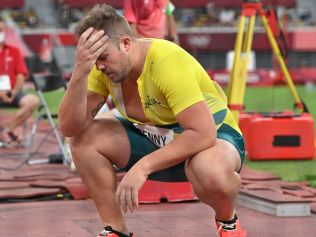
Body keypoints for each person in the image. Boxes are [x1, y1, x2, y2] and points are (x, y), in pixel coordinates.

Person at [58, 4, 247, 237]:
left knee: (210, 170)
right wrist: (79, 71)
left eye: (103, 57)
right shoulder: (101, 69)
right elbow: (69, 127)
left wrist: (143, 167)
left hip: (212, 138)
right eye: (93, 60)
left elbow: (202, 134)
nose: (99, 66)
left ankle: (228, 222)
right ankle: (115, 229)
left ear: (125, 44)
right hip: (157, 136)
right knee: (82, 139)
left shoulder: (166, 62)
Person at [0, 17, 39, 146]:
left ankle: (8, 131)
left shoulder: (14, 51)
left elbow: (21, 75)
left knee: (32, 101)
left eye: (1, 30)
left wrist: (14, 92)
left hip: (13, 92)